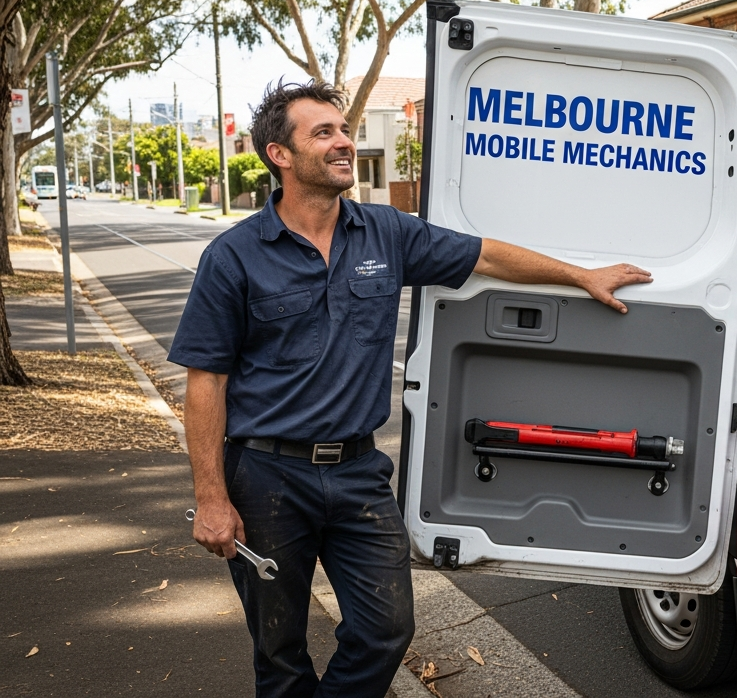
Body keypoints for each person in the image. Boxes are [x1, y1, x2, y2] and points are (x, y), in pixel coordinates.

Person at [167, 80, 651, 697]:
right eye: (324, 133)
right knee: (278, 648)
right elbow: (205, 380)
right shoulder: (234, 256)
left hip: (358, 471)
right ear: (279, 155)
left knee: (386, 628)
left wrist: (579, 275)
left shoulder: (386, 233)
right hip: (265, 477)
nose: (344, 141)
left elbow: (486, 257)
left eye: (343, 130)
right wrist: (211, 497)